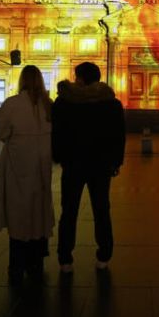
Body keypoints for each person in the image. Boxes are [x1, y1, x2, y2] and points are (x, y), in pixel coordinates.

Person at [52, 61, 125, 273]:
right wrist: (115, 162)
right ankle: (104, 255)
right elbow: (118, 136)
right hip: (101, 165)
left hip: (73, 164)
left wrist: (60, 157)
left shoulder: (65, 103)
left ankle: (65, 258)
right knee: (102, 209)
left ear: (81, 78)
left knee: (69, 211)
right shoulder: (111, 104)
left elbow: (57, 133)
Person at [0, 65, 55, 283]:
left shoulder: (12, 104)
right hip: (42, 166)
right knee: (40, 211)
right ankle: (37, 261)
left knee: (18, 213)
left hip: (18, 164)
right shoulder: (49, 106)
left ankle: (17, 264)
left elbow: (3, 133)